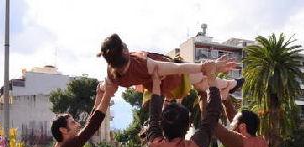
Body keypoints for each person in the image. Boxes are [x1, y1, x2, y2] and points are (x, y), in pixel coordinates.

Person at [98, 33, 240, 100]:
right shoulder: (144, 65)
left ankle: (230, 85)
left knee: (201, 85)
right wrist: (212, 66)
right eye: (124, 45)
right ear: (124, 51)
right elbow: (178, 69)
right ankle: (231, 84)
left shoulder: (112, 74)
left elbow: (104, 87)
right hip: (173, 79)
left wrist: (101, 91)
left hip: (162, 87)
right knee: (201, 79)